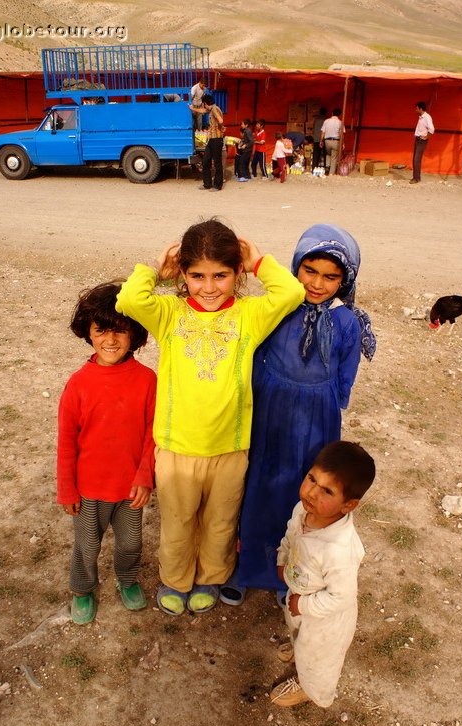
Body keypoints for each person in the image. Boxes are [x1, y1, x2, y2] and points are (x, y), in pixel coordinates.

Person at [115, 219, 304, 617]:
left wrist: (258, 261)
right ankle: (175, 580)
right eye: (197, 275)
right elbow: (130, 300)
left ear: (237, 275)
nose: (209, 286)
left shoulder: (249, 316)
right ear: (182, 274)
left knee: (220, 523)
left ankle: (209, 578)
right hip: (176, 447)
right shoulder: (169, 313)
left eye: (221, 275)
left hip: (230, 448)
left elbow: (290, 291)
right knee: (178, 522)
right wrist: (155, 268)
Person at [220, 224, 376, 607]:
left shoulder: (346, 322)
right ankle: (247, 567)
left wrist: (326, 413)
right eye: (310, 271)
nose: (318, 283)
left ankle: (285, 575)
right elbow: (257, 354)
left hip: (316, 419)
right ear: (295, 267)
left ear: (346, 279)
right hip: (270, 409)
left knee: (300, 492)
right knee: (258, 485)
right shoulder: (281, 305)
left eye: (331, 276)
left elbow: (344, 377)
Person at [57, 282, 156, 625]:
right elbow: (67, 441)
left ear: (135, 335)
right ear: (88, 332)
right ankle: (83, 589)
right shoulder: (78, 384)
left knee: (130, 544)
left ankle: (127, 579)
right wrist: (67, 488)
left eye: (120, 331)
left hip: (130, 489)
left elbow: (152, 434)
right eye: (101, 330)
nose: (110, 340)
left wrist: (145, 476)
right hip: (88, 491)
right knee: (87, 546)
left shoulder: (147, 380)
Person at [270, 440, 376, 707]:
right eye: (311, 479)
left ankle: (313, 689)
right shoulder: (303, 510)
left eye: (327, 491)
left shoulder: (339, 549)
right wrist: (283, 559)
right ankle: (298, 650)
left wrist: (302, 604)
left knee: (319, 659)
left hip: (326, 620)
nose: (312, 493)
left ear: (348, 505)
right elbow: (290, 535)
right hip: (300, 597)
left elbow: (341, 597)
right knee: (298, 632)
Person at [189, 94, 225, 192]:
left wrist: (221, 125)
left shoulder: (214, 109)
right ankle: (207, 184)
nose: (203, 106)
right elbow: (203, 111)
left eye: (203, 104)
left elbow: (220, 120)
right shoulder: (211, 108)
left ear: (205, 103)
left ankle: (218, 185)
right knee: (205, 161)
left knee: (217, 163)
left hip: (217, 139)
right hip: (212, 140)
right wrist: (192, 108)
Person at [410, 101, 435, 184]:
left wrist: (426, 137)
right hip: (418, 139)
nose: (416, 110)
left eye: (417, 108)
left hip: (421, 141)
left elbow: (431, 129)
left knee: (416, 159)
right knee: (415, 159)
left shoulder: (427, 117)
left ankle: (416, 178)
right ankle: (417, 177)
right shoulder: (421, 117)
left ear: (421, 109)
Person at [320, 108, 344, 175]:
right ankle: (331, 173)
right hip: (336, 141)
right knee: (334, 157)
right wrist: (342, 143)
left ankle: (327, 166)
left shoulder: (326, 121)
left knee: (328, 154)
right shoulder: (340, 122)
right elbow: (342, 134)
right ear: (340, 115)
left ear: (332, 113)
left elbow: (323, 132)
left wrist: (321, 141)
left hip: (327, 141)